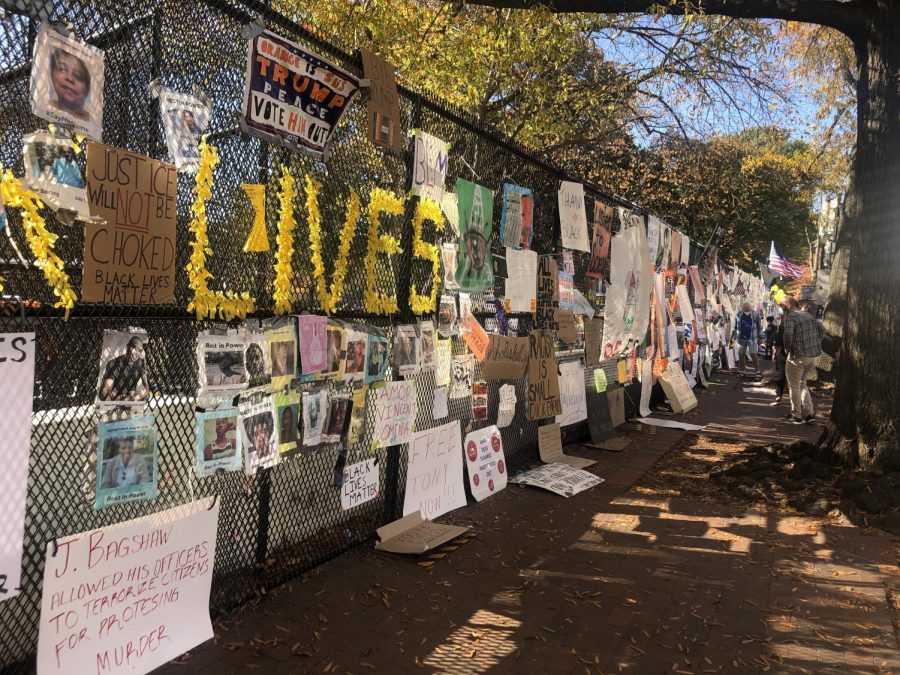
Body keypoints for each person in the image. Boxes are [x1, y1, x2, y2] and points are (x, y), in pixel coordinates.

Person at [781, 296, 824, 424]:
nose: (780, 307)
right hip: (812, 356)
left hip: (798, 356)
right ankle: (809, 413)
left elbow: (788, 335)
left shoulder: (791, 316)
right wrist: (816, 342)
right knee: (803, 384)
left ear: (788, 305)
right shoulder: (808, 315)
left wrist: (787, 348)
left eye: (781, 305)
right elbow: (822, 329)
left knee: (794, 386)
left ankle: (796, 415)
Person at [99, 335, 150, 402]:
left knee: (145, 393)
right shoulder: (114, 363)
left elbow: (146, 387)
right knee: (106, 386)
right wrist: (123, 398)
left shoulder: (140, 363)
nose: (136, 352)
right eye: (134, 348)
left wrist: (137, 396)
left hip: (131, 398)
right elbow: (103, 394)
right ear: (128, 347)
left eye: (139, 350)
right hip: (115, 399)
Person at [50, 48, 91, 120]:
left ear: (87, 88)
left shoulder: (92, 122)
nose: (70, 78)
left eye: (78, 76)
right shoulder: (44, 106)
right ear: (53, 74)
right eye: (62, 69)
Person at [732, 301, 763, 377]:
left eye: (747, 307)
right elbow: (736, 326)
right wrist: (733, 337)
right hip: (741, 338)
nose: (745, 308)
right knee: (741, 354)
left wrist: (761, 337)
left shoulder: (755, 314)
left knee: (753, 354)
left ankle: (757, 370)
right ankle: (742, 371)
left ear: (750, 307)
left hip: (752, 338)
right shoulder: (739, 314)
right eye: (744, 307)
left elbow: (760, 327)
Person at [769, 315, 788, 406]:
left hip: (784, 354)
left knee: (781, 374)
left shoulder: (782, 326)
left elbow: (778, 341)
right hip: (796, 355)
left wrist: (775, 352)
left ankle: (779, 395)